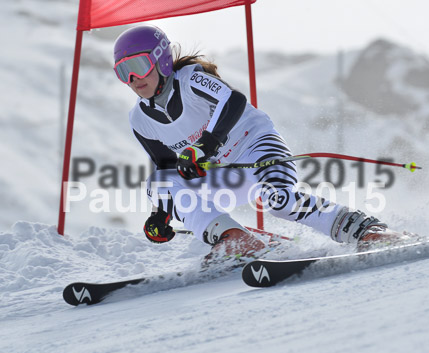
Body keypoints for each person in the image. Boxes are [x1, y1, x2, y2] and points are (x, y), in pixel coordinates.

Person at [113, 24, 388, 258]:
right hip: (223, 177)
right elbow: (165, 166)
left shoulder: (191, 79)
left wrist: (204, 147)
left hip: (255, 147)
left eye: (138, 66)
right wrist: (161, 214)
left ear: (161, 59)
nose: (133, 79)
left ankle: (363, 229)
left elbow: (233, 101)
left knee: (279, 200)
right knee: (156, 183)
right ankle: (234, 239)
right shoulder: (139, 119)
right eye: (124, 72)